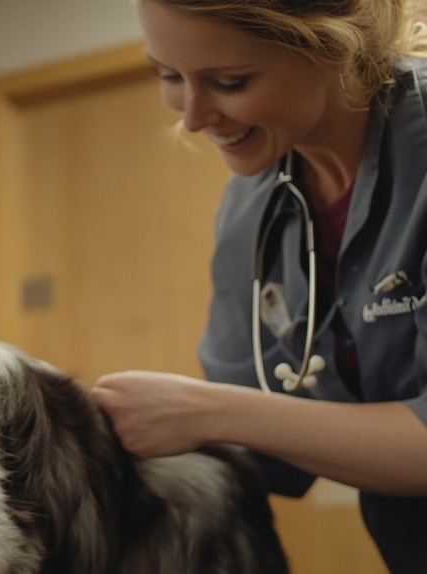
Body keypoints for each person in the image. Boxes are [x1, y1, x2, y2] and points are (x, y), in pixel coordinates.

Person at [90, 1, 427, 572]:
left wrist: (209, 412)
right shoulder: (254, 208)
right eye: (169, 76)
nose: (193, 117)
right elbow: (256, 449)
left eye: (229, 82)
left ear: (334, 47)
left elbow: (236, 413)